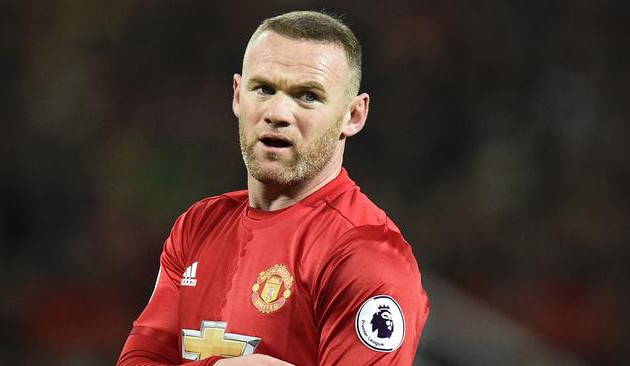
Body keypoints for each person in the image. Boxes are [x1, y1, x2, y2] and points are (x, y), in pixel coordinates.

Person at [117, 10, 429, 366]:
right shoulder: (197, 226)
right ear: (237, 95)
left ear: (353, 115)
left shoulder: (367, 254)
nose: (278, 112)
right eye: (264, 89)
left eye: (307, 96)